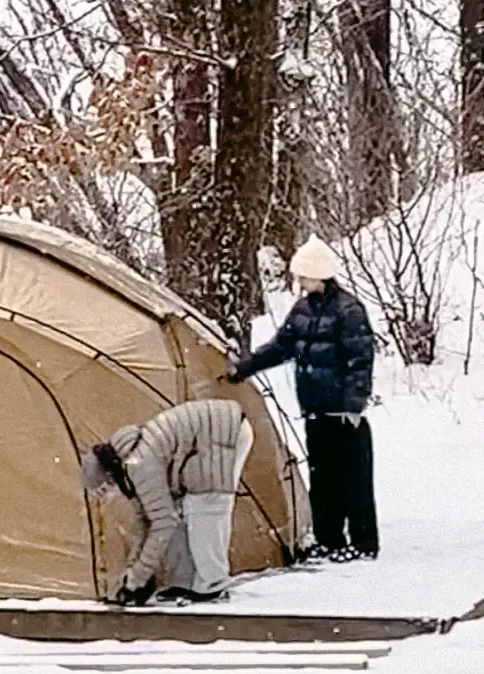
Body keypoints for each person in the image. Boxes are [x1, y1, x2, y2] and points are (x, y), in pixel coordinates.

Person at [226, 234, 378, 562]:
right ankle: (330, 539)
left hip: (341, 411)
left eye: (303, 275)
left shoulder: (349, 310)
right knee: (322, 479)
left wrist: (354, 405)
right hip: (314, 408)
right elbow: (281, 346)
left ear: (319, 274)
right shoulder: (303, 309)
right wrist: (245, 367)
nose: (299, 281)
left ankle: (363, 543)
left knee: (353, 479)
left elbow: (360, 360)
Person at [81, 399, 254, 606]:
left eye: (103, 490)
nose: (106, 497)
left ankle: (213, 584)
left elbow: (163, 522)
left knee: (206, 505)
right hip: (213, 434)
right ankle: (185, 582)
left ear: (109, 477)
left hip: (222, 432)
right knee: (182, 510)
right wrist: (133, 571)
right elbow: (146, 523)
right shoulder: (129, 465)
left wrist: (137, 579)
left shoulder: (139, 464)